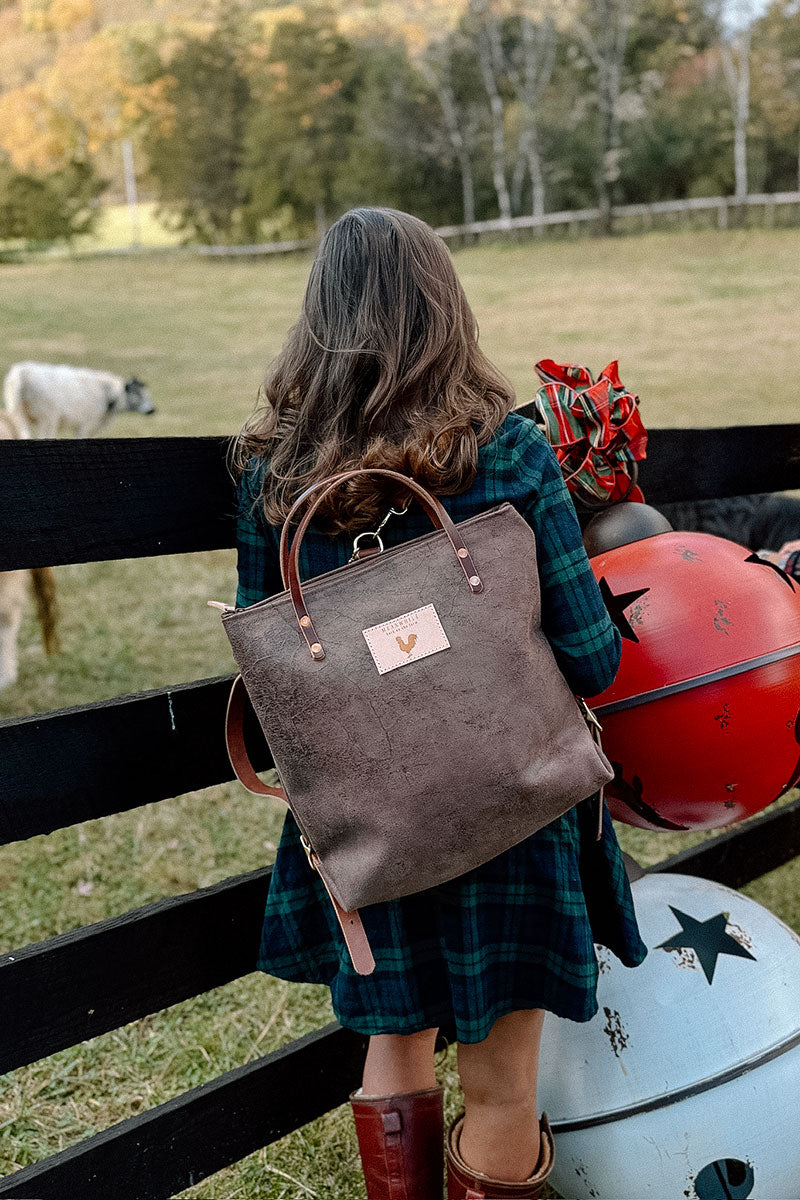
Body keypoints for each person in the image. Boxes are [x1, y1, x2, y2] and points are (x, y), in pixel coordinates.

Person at [227, 207, 647, 1200]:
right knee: (502, 1089)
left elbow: (271, 670)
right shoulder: (509, 453)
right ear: (444, 310)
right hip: (513, 808)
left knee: (395, 1050)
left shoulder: (272, 474)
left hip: (372, 822)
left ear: (319, 320)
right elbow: (592, 660)